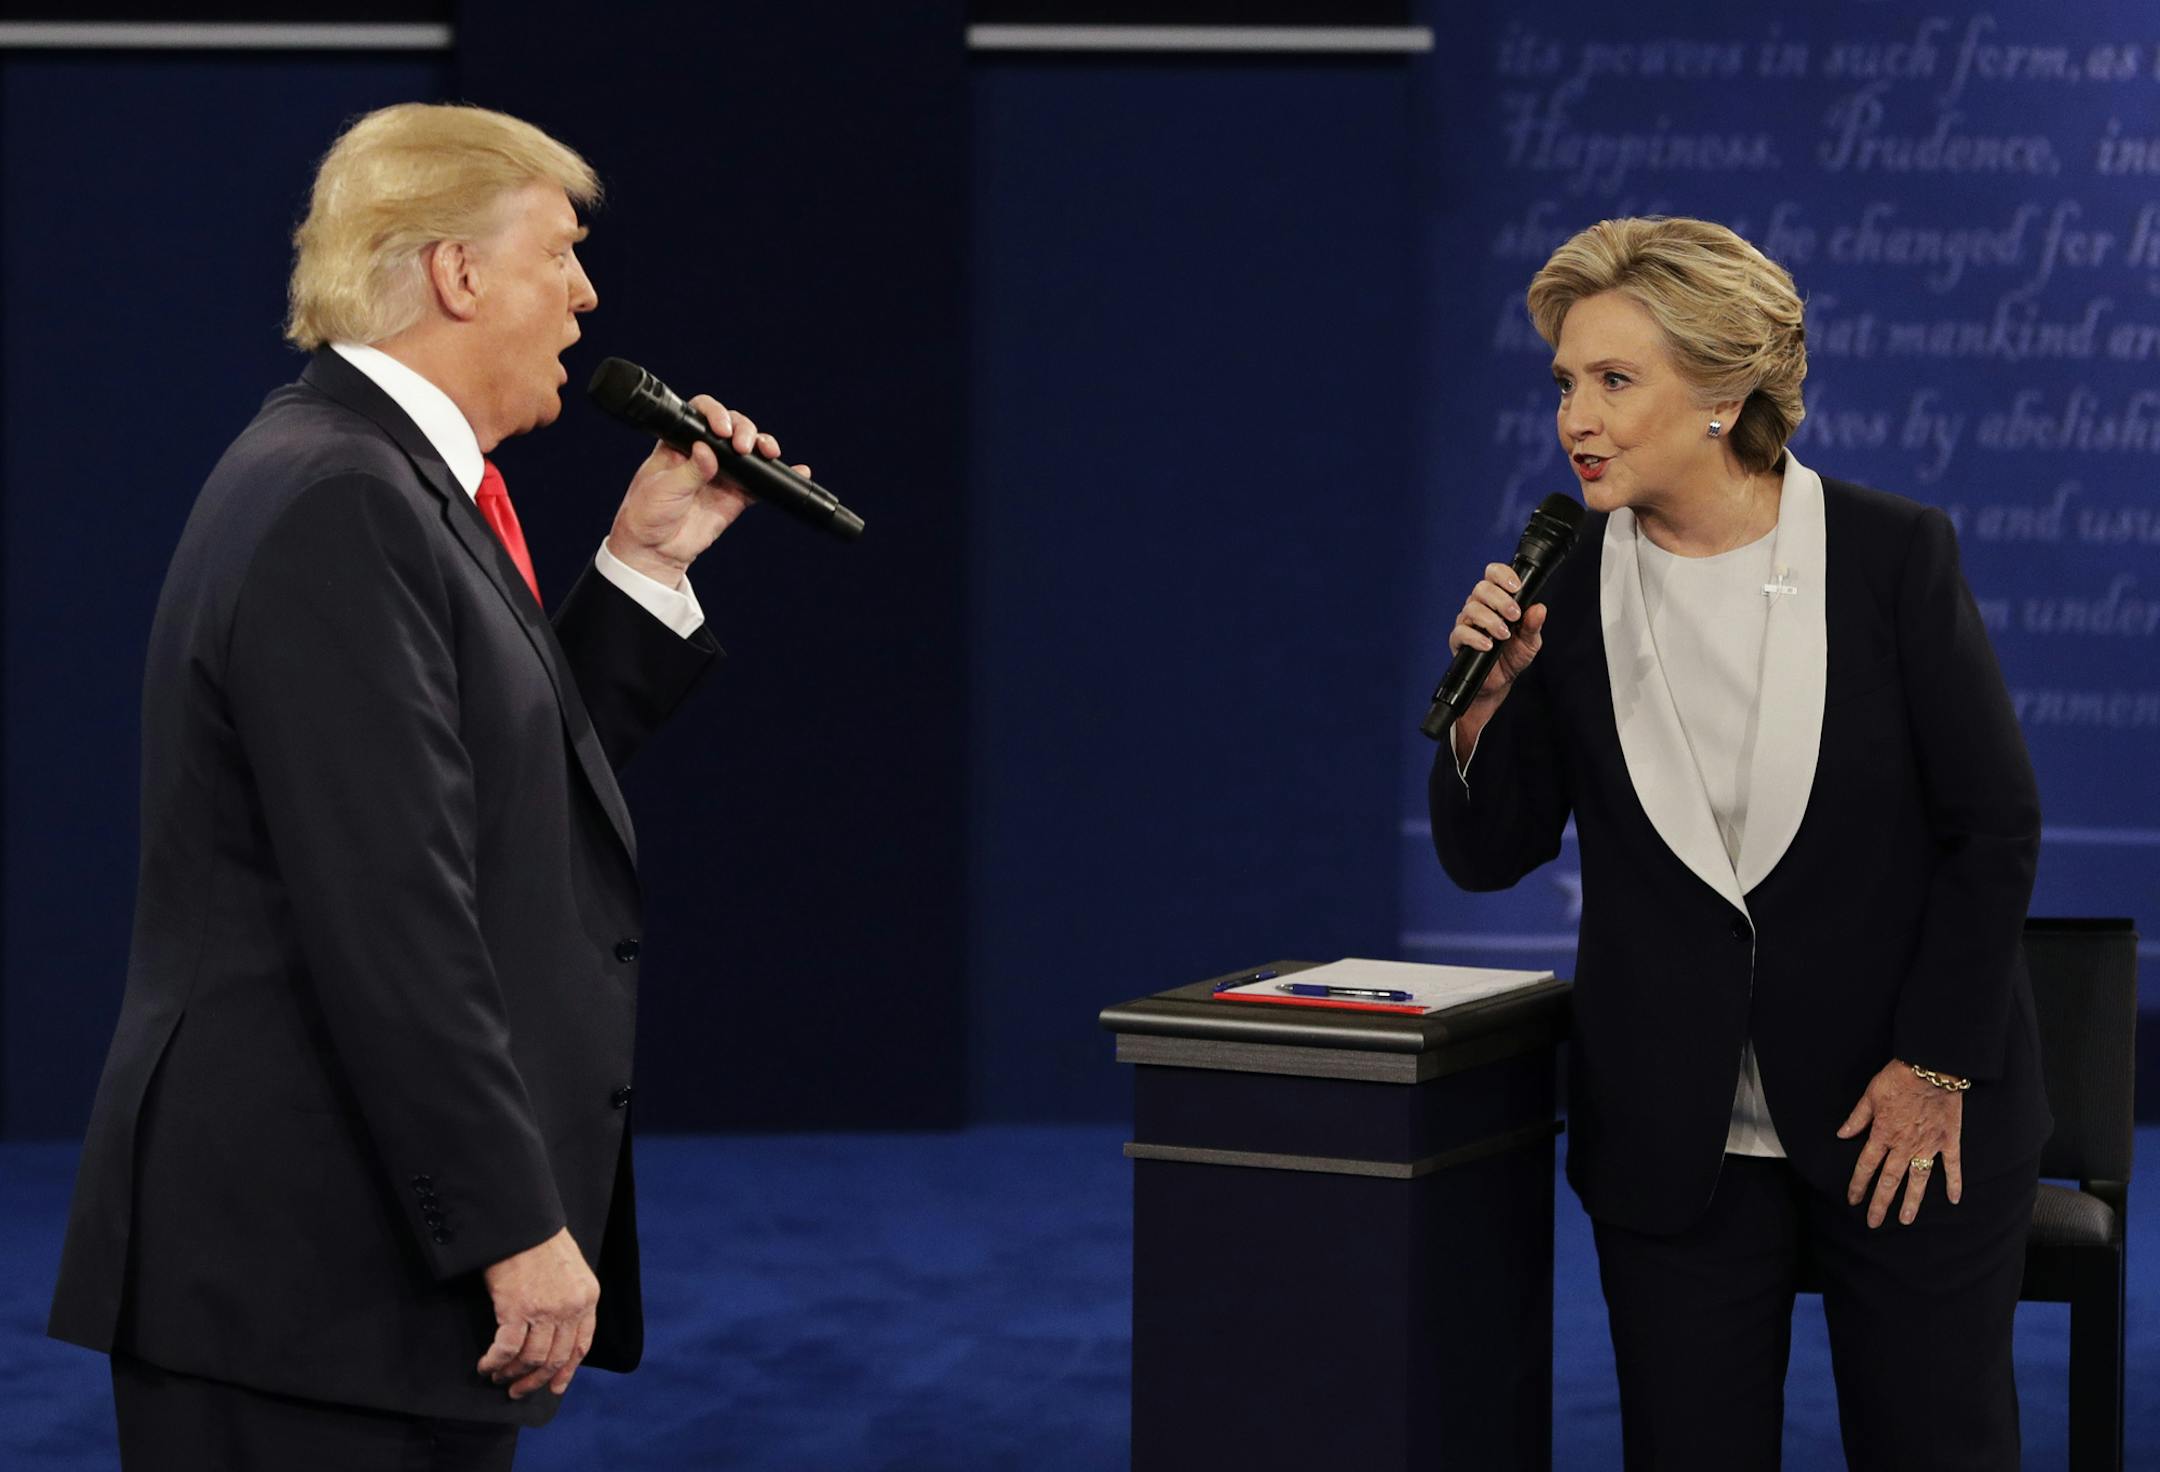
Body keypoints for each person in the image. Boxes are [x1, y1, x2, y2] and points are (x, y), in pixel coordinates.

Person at [47, 102, 809, 1470]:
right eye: (561, 254)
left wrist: (647, 563)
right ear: (457, 274)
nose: (584, 296)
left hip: (333, 1279)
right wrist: (514, 1224)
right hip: (304, 1283)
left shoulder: (376, 481)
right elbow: (390, 910)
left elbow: (479, 795)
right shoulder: (344, 499)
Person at [1429, 216, 2048, 1470]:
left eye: (1614, 381)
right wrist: (1482, 711)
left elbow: (1992, 828)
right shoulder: (1564, 581)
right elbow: (1492, 854)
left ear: (1723, 391)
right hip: (1674, 1131)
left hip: (1901, 1113)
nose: (1574, 420)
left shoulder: (1887, 553)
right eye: (1564, 383)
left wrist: (1935, 1066)